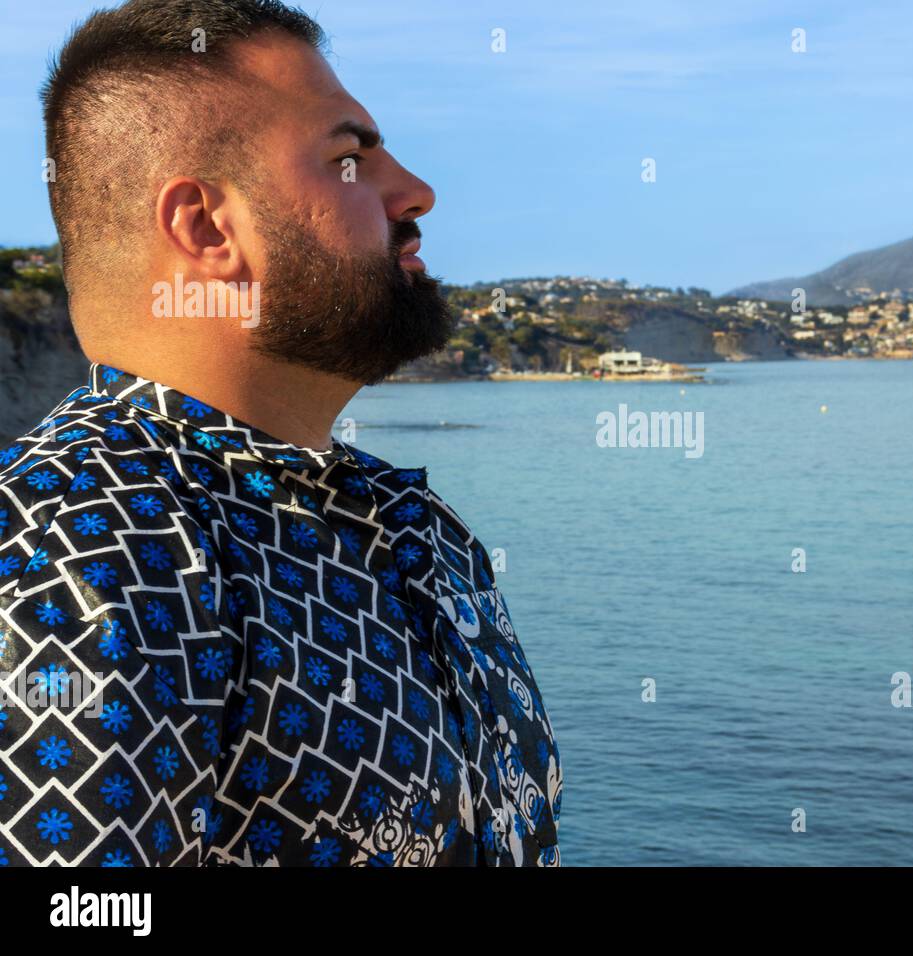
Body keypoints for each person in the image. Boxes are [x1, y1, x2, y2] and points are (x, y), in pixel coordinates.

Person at [0, 0, 561, 867]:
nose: (416, 192)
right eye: (348, 158)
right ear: (207, 229)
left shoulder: (416, 528)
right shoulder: (82, 554)